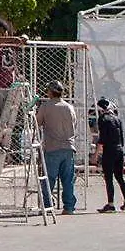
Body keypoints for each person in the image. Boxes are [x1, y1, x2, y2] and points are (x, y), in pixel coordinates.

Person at [35, 81, 78, 214]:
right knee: (68, 180)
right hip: (69, 147)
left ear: (50, 92)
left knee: (49, 179)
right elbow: (74, 124)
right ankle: (69, 207)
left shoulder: (46, 106)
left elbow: (37, 123)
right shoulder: (69, 107)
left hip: (52, 147)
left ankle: (48, 206)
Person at [0, 19, 26, 144]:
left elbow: (23, 39)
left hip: (8, 87)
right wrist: (13, 40)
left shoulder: (10, 46)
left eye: (4, 32)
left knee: (6, 118)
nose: (2, 36)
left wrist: (22, 38)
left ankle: (4, 142)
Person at [95, 97, 125, 213]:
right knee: (120, 177)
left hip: (109, 151)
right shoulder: (117, 119)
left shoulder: (102, 119)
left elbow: (102, 138)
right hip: (119, 150)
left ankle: (110, 204)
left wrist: (96, 154)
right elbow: (121, 138)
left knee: (109, 178)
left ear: (100, 109)